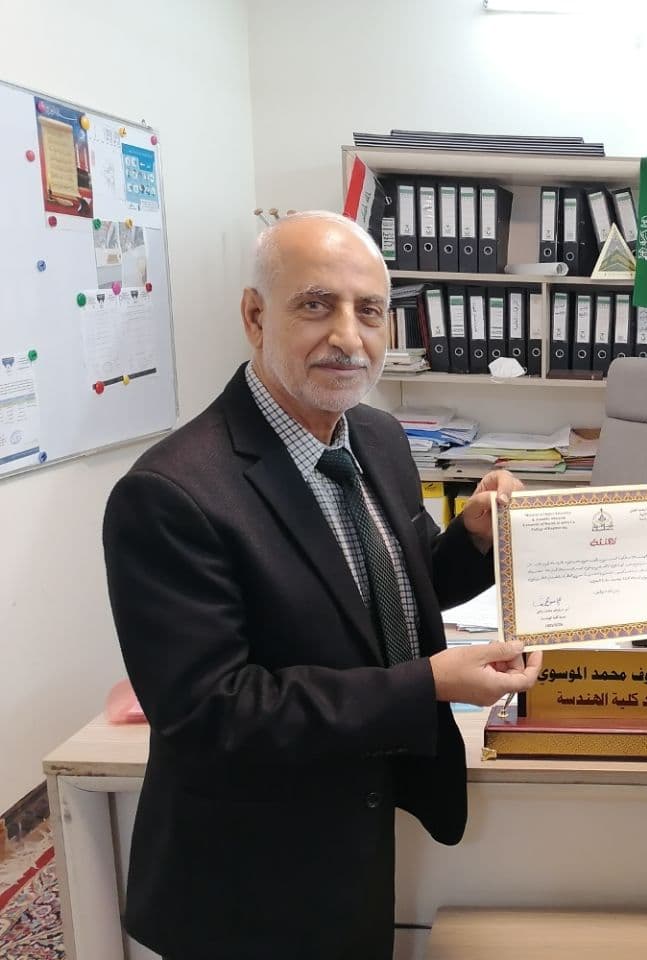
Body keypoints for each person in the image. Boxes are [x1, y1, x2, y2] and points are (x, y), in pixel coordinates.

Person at [102, 211, 540, 960]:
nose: (348, 337)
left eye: (370, 310)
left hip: (354, 834)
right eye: (315, 305)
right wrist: (428, 685)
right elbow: (213, 713)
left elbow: (392, 590)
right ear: (254, 316)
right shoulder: (171, 494)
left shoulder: (376, 436)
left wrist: (471, 536)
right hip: (247, 878)